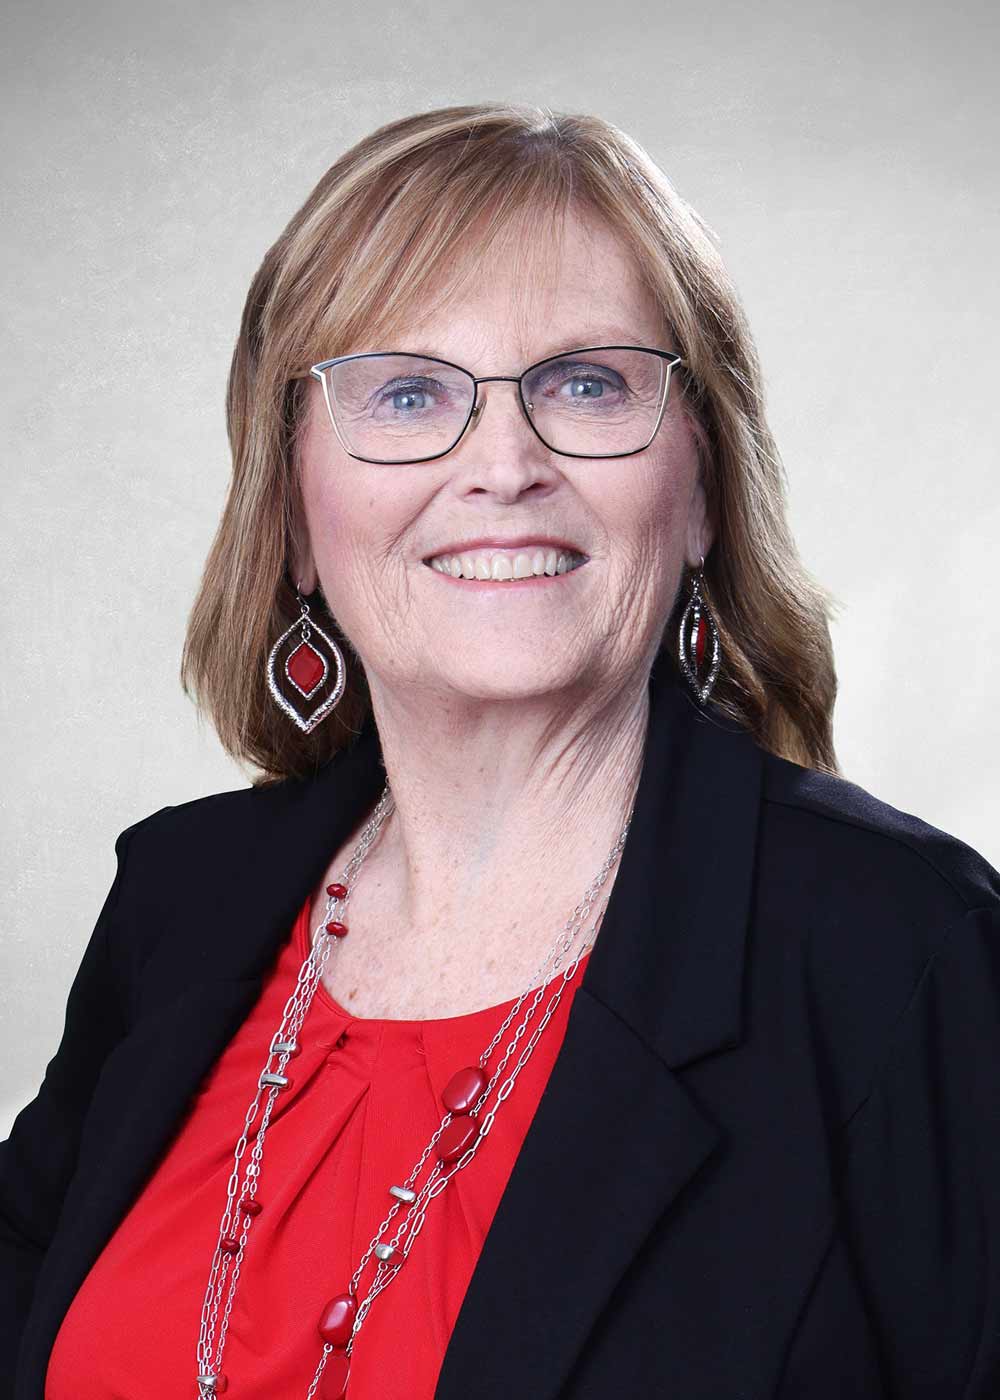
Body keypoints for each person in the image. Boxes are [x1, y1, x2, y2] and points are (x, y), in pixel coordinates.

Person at [3, 102, 999, 1400]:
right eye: (409, 392)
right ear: (297, 518)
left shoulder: (900, 957)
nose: (505, 462)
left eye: (585, 383)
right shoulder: (177, 906)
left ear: (699, 490)